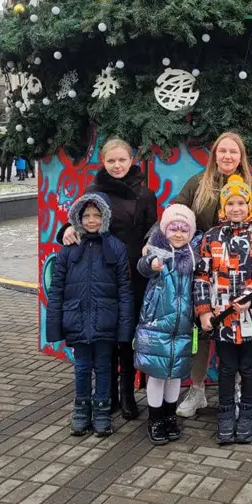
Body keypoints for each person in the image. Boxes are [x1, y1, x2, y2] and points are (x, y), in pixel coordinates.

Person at [173, 132, 252, 419]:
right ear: (214, 154)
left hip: (240, 274)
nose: (228, 156)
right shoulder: (197, 183)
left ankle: (237, 390)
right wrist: (153, 238)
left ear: (241, 157)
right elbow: (176, 213)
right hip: (208, 265)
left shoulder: (249, 187)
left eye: (234, 152)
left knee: (238, 330)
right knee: (203, 329)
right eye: (222, 151)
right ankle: (197, 389)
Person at [59, 137, 157, 420]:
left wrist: (152, 248)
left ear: (131, 160)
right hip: (102, 273)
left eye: (122, 160)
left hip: (133, 273)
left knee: (127, 333)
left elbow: (152, 231)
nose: (117, 165)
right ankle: (108, 393)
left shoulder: (145, 194)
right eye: (111, 160)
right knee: (107, 333)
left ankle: (127, 393)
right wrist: (66, 229)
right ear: (102, 162)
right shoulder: (94, 191)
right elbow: (81, 220)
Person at [45, 192, 135, 437]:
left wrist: (125, 327)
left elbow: (125, 290)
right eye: (86, 216)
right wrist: (55, 324)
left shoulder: (115, 248)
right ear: (78, 218)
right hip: (77, 319)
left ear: (105, 217)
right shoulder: (68, 249)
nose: (92, 220)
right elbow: (57, 289)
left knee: (105, 367)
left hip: (106, 320)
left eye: (97, 215)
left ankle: (102, 411)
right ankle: (81, 410)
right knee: (82, 367)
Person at [194, 174, 252, 445]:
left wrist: (249, 298)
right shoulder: (211, 237)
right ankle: (226, 413)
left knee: (249, 367)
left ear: (249, 205)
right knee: (226, 368)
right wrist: (204, 310)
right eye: (230, 203)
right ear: (223, 207)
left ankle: (248, 413)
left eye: (241, 203)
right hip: (222, 318)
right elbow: (202, 276)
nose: (236, 208)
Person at [135, 204, 200, 445]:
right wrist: (151, 263)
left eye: (184, 230)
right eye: (174, 229)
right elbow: (143, 266)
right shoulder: (157, 252)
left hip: (182, 328)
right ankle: (155, 418)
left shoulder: (194, 257)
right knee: (156, 375)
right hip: (156, 326)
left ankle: (170, 416)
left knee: (175, 376)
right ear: (165, 230)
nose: (179, 234)